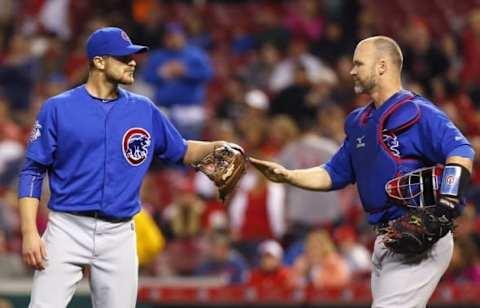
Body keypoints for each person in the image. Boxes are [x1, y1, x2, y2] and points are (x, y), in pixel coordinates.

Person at [250, 36, 475, 308]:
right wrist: (288, 175)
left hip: (420, 235)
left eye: (358, 63)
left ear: (382, 66)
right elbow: (333, 173)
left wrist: (446, 205)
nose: (351, 70)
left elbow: (461, 151)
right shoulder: (361, 122)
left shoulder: (419, 112)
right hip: (387, 238)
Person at [17, 27, 233, 308]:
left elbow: (181, 150)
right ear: (98, 61)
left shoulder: (144, 109)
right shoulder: (58, 108)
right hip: (67, 228)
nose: (132, 62)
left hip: (119, 234)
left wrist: (218, 146)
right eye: (123, 57)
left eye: (133, 57)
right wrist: (29, 232)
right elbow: (33, 170)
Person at [141, 22, 213, 140]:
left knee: (191, 144)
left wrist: (185, 72)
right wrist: (162, 73)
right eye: (170, 37)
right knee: (163, 145)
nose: (173, 40)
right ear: (165, 39)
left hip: (190, 109)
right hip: (164, 109)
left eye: (176, 36)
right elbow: (147, 77)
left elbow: (207, 74)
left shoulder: (195, 54)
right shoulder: (158, 56)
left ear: (183, 37)